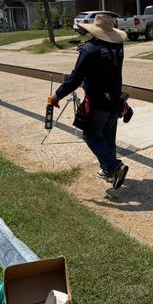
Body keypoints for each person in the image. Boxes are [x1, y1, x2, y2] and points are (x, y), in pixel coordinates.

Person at [50, 13, 129, 189]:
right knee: (108, 136)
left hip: (97, 100)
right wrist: (88, 47)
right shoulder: (119, 47)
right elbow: (105, 53)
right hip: (115, 99)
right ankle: (108, 170)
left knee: (91, 134)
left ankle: (114, 166)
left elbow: (76, 77)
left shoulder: (90, 49)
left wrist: (58, 95)